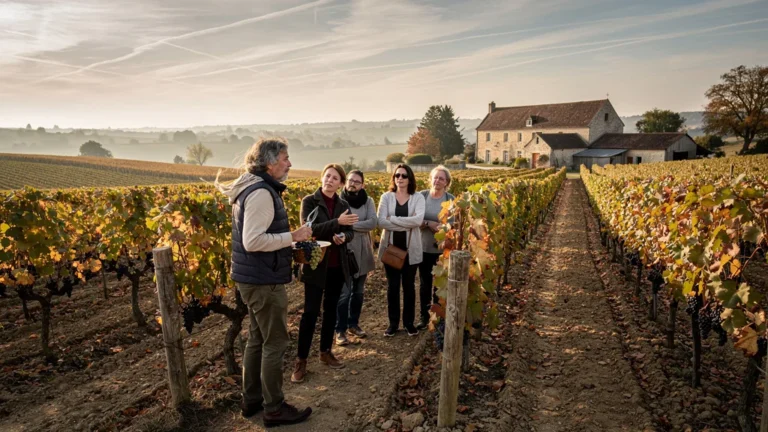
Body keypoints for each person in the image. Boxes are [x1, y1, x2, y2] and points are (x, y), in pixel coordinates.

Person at [216, 138, 312, 427]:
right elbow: (253, 241)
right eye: (285, 158)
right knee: (275, 342)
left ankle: (253, 399)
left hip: (254, 277)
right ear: (270, 162)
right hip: (263, 280)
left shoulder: (253, 187)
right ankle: (274, 407)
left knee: (257, 339)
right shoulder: (260, 193)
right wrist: (293, 237)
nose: (290, 163)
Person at [291, 164, 358, 383]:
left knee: (331, 310)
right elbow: (308, 230)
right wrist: (336, 224)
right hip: (315, 265)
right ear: (322, 178)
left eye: (335, 178)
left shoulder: (343, 204)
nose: (329, 180)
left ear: (340, 183)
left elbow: (350, 232)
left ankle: (325, 352)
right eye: (327, 176)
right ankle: (301, 361)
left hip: (337, 265)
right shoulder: (309, 202)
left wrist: (343, 237)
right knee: (310, 313)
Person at [377, 163, 425, 337]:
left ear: (410, 178)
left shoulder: (418, 197)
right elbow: (381, 222)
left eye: (404, 175)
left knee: (409, 287)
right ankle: (393, 324)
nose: (400, 179)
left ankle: (409, 323)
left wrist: (394, 219)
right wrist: (407, 223)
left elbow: (418, 221)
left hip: (411, 251)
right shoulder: (386, 197)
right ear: (394, 178)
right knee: (393, 287)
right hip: (390, 250)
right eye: (397, 175)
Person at [335, 170, 377, 346]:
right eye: (351, 180)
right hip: (345, 252)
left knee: (358, 292)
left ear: (362, 185)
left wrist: (350, 224)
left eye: (357, 182)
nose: (353, 184)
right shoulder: (338, 201)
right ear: (346, 182)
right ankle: (340, 330)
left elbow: (373, 223)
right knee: (344, 293)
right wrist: (356, 225)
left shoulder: (368, 201)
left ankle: (354, 324)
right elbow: (337, 222)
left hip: (364, 251)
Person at [416, 165, 454, 329]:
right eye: (435, 177)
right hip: (422, 247)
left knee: (439, 286)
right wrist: (428, 223)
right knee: (424, 284)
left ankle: (437, 317)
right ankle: (424, 318)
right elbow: (413, 219)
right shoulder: (421, 196)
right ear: (430, 179)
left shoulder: (450, 199)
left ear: (446, 183)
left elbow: (454, 225)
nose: (437, 180)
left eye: (441, 178)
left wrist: (444, 228)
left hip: (441, 250)